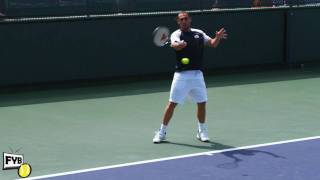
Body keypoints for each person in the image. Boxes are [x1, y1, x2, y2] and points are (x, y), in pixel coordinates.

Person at [153, 11, 227, 143]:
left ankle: (201, 130)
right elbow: (174, 45)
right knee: (171, 104)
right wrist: (179, 45)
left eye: (185, 19)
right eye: (181, 19)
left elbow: (213, 44)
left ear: (190, 20)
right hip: (181, 76)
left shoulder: (199, 33)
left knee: (202, 103)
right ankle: (162, 132)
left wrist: (218, 38)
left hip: (197, 75)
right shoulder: (176, 34)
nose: (183, 21)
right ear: (178, 22)